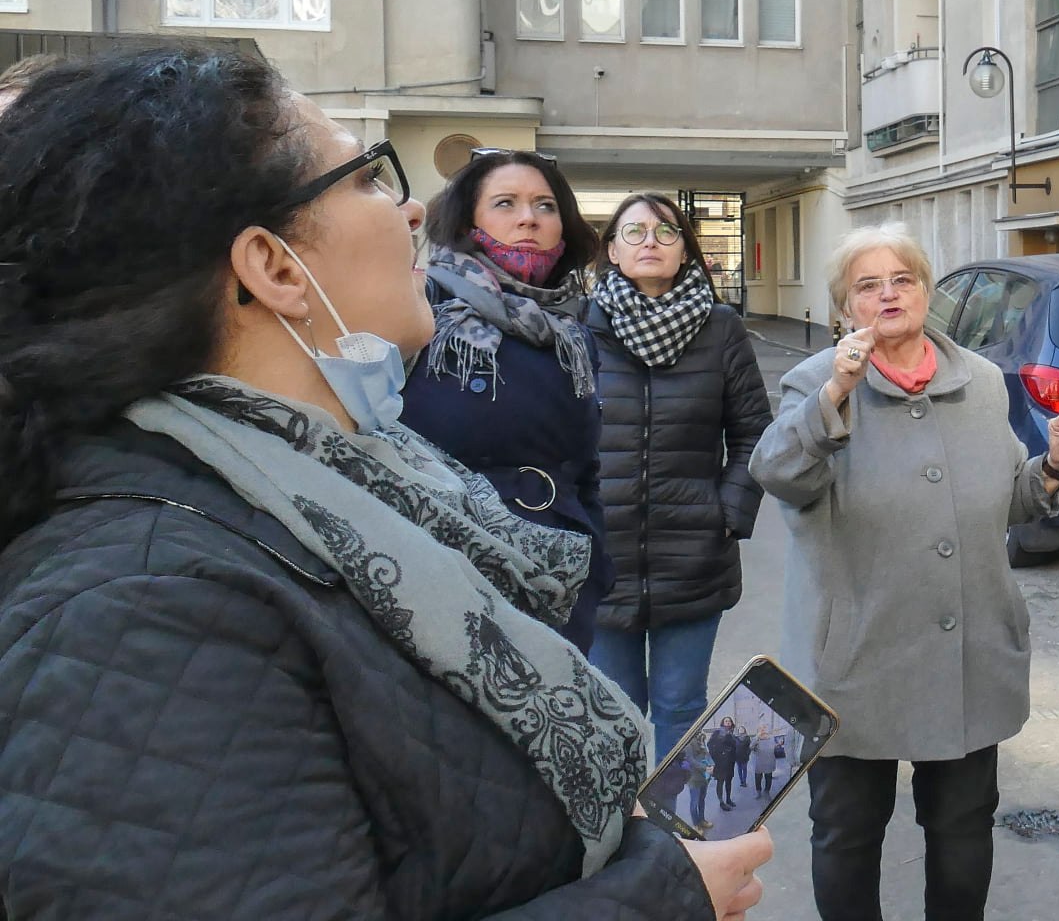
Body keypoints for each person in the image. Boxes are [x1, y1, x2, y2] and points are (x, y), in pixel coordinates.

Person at [0, 45, 770, 918]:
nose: (410, 207)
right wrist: (660, 897)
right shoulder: (142, 608)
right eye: (368, 177)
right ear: (276, 268)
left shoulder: (345, 489)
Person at [751, 224, 1059, 921]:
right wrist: (836, 391)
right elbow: (778, 474)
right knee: (847, 834)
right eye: (866, 286)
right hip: (855, 658)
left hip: (967, 656)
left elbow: (1008, 501)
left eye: (901, 279)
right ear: (844, 308)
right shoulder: (815, 382)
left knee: (963, 830)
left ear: (926, 291)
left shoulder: (984, 382)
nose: (887, 295)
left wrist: (1051, 467)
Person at [399, 147, 609, 653]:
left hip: (554, 575)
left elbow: (583, 469)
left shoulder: (573, 333)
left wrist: (596, 559)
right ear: (468, 221)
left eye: (545, 206)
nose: (528, 219)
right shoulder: (419, 306)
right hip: (444, 571)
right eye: (505, 203)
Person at [587, 192, 772, 760]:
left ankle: (679, 837)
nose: (650, 242)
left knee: (680, 706)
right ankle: (617, 837)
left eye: (666, 232)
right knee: (610, 713)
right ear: (613, 251)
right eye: (634, 232)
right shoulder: (577, 327)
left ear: (686, 251)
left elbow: (753, 432)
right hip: (603, 558)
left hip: (695, 557)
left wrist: (728, 514)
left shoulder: (721, 329)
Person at [710, 718, 742, 813]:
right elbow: (710, 744)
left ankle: (728, 799)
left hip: (730, 762)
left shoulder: (732, 733)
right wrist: (717, 756)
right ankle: (721, 802)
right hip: (720, 763)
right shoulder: (718, 732)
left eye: (729, 721)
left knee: (729, 781)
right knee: (720, 782)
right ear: (723, 723)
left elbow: (734, 746)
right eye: (726, 721)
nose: (728, 722)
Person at [753, 731, 780, 798]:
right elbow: (751, 747)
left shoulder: (771, 739)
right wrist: (757, 737)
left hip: (769, 762)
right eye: (762, 733)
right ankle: (758, 792)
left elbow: (775, 748)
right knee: (758, 778)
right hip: (759, 763)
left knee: (768, 778)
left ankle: (766, 791)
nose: (764, 734)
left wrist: (778, 745)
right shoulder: (757, 740)